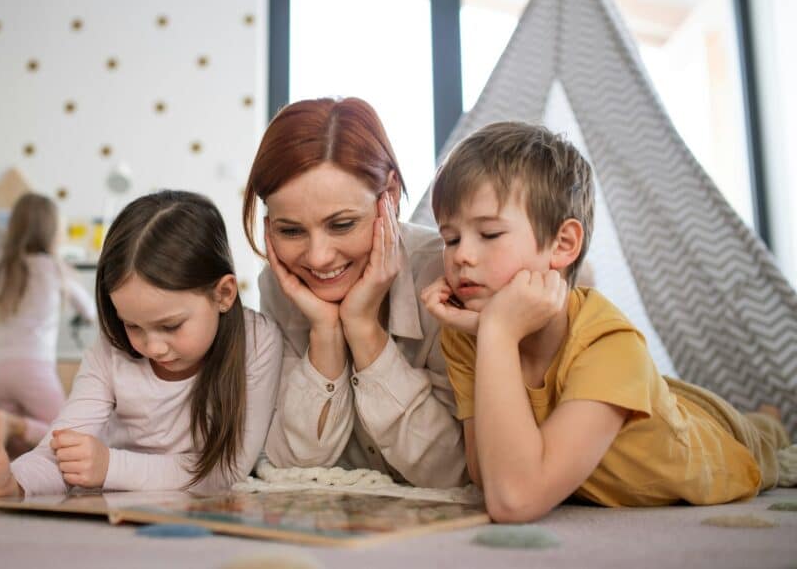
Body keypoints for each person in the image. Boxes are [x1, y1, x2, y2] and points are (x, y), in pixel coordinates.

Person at [421, 121, 793, 523]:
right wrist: (495, 336)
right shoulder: (468, 337)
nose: (462, 256)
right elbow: (488, 477)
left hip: (712, 441)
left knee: (764, 440)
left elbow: (514, 500)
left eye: (489, 234)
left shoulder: (607, 344)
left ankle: (767, 420)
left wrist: (498, 333)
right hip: (637, 394)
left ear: (563, 245)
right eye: (451, 238)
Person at [0, 190, 283, 498]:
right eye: (132, 325)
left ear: (223, 294)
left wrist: (110, 466)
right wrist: (11, 482)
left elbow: (227, 471)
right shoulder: (113, 347)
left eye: (171, 325)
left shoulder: (258, 342)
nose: (152, 347)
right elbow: (59, 449)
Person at [242, 96, 467, 488]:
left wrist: (364, 330)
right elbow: (292, 466)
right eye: (290, 231)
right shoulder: (280, 286)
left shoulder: (444, 273)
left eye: (342, 224)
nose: (318, 257)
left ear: (390, 195)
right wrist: (325, 334)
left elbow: (453, 471)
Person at [0, 192, 96, 456]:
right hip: (31, 366)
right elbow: (90, 311)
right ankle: (5, 425)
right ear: (52, 233)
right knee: (64, 431)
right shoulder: (55, 269)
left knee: (11, 447)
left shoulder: (0, 266)